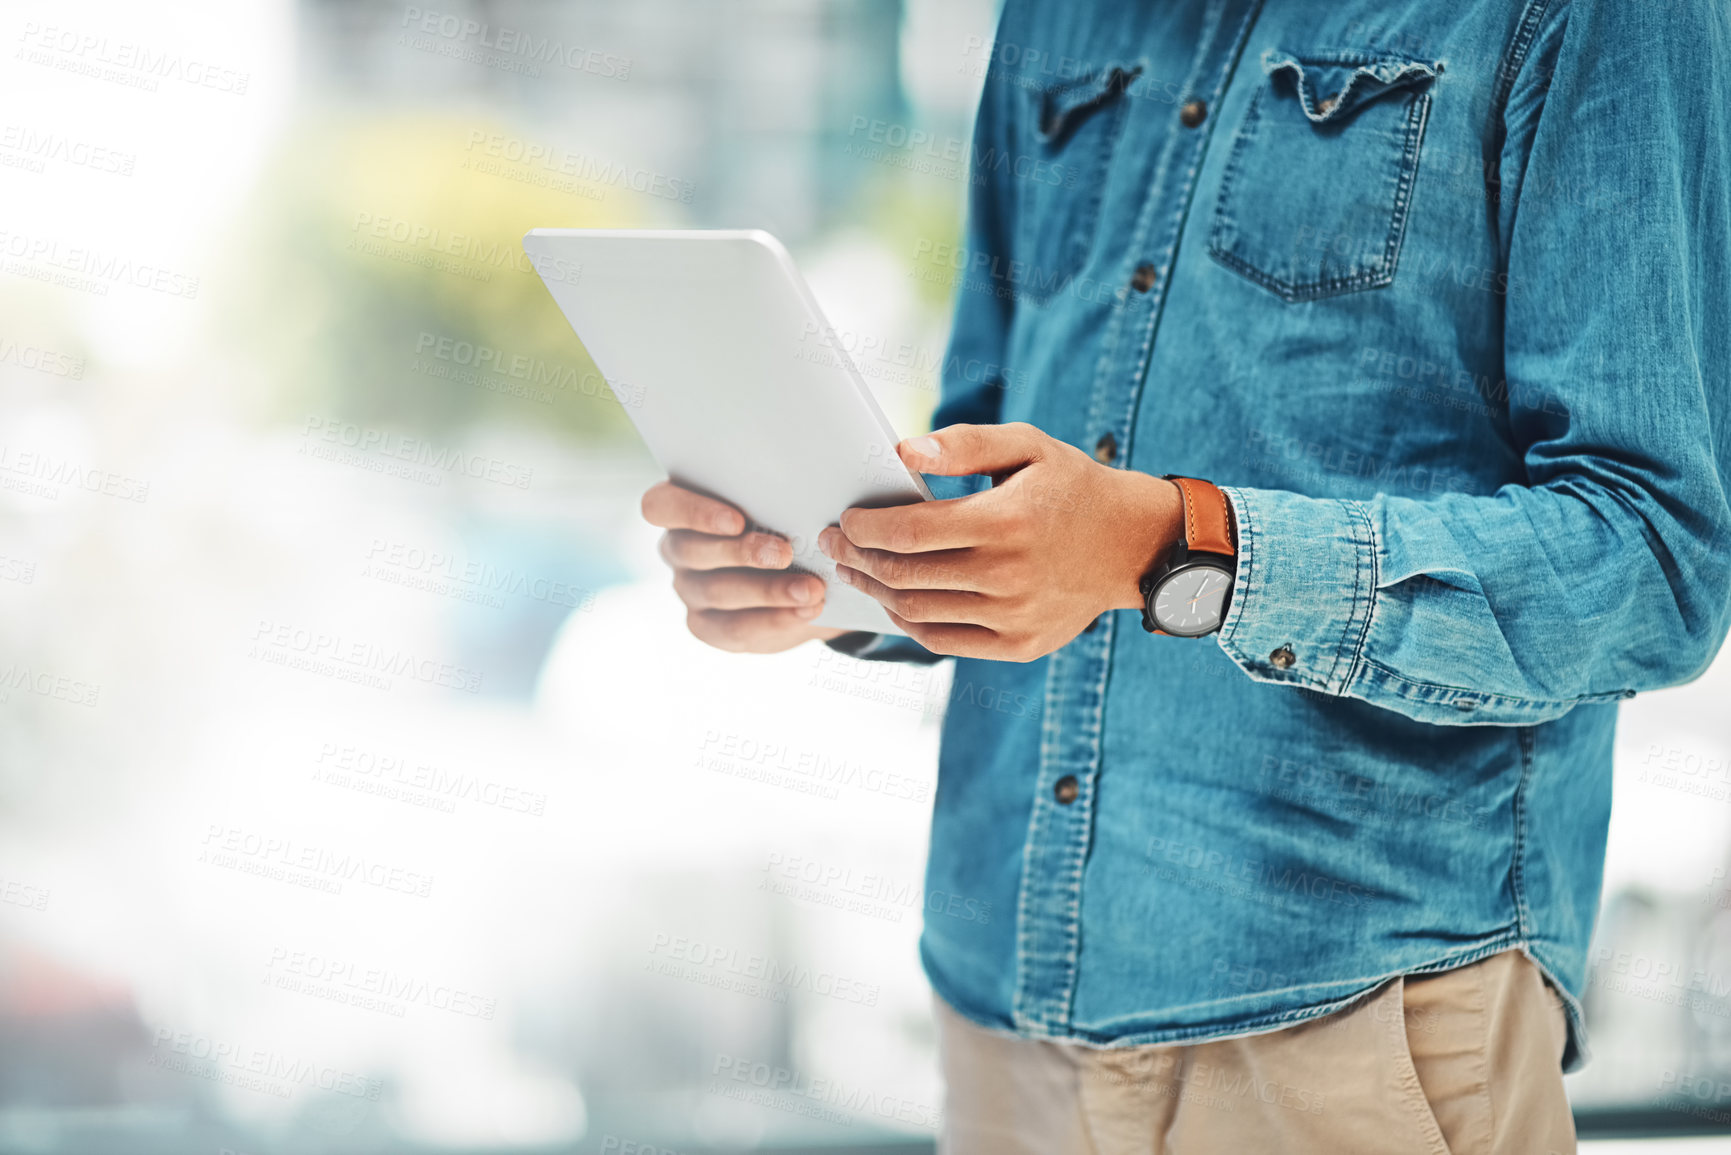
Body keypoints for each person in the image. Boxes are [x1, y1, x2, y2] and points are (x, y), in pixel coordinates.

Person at [641, 0, 1731, 1150]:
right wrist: (835, 573)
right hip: (1000, 998)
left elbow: (1655, 557)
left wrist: (1178, 546)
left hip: (1354, 1007)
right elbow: (994, 460)